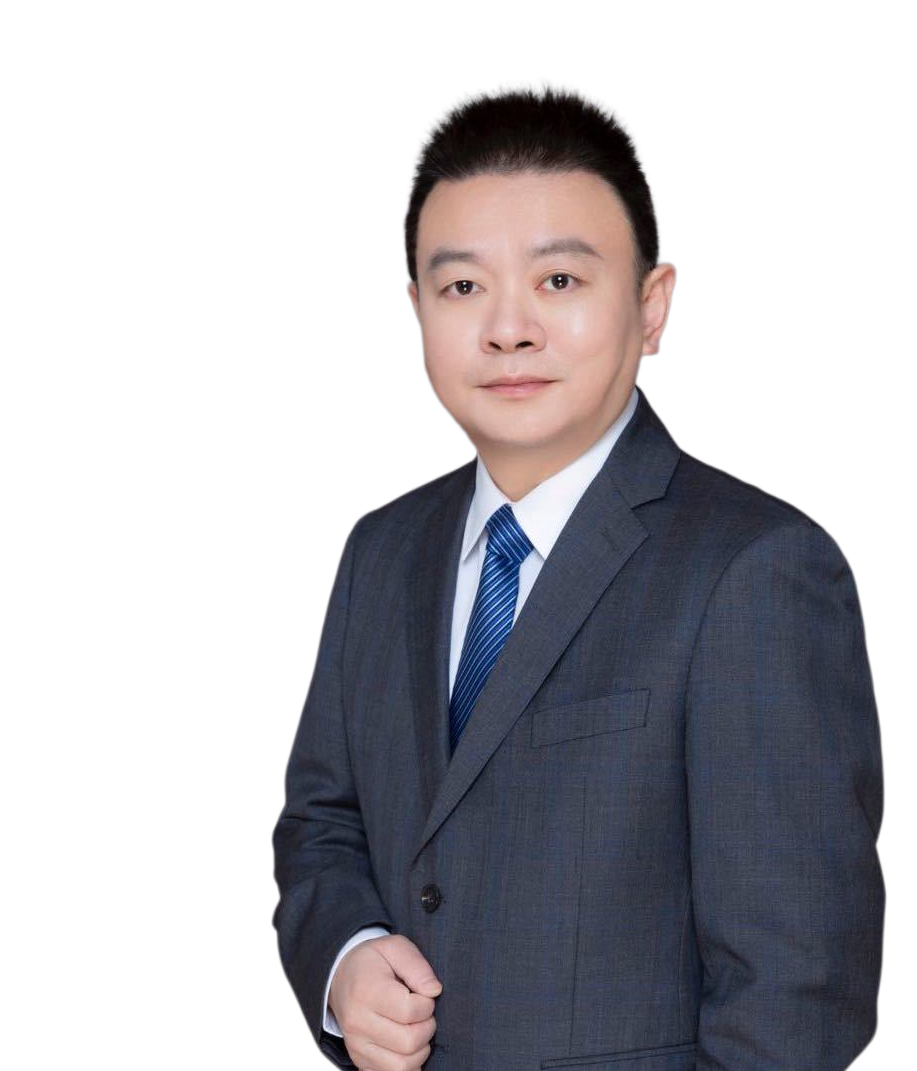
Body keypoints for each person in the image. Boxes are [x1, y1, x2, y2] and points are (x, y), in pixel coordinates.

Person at [271, 77, 885, 1071]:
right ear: (416, 311)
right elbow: (319, 823)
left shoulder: (758, 570)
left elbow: (795, 1000)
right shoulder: (378, 552)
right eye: (463, 287)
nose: (508, 329)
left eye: (559, 280)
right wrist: (345, 960)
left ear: (651, 305)